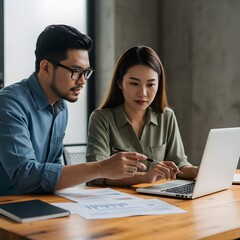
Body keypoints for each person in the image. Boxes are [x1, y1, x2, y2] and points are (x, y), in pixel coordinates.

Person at [0, 25, 148, 196]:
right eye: (76, 71)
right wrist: (100, 168)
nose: (82, 81)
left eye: (86, 72)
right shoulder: (9, 104)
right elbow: (26, 176)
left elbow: (53, 170)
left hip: (37, 205)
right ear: (46, 68)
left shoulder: (61, 108)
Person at [86, 45, 198, 186]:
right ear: (120, 82)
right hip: (117, 202)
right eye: (134, 83)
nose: (143, 93)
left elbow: (179, 165)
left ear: (159, 84)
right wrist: (144, 177)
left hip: (158, 201)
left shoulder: (166, 116)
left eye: (150, 85)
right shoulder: (101, 118)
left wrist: (197, 171)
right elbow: (95, 174)